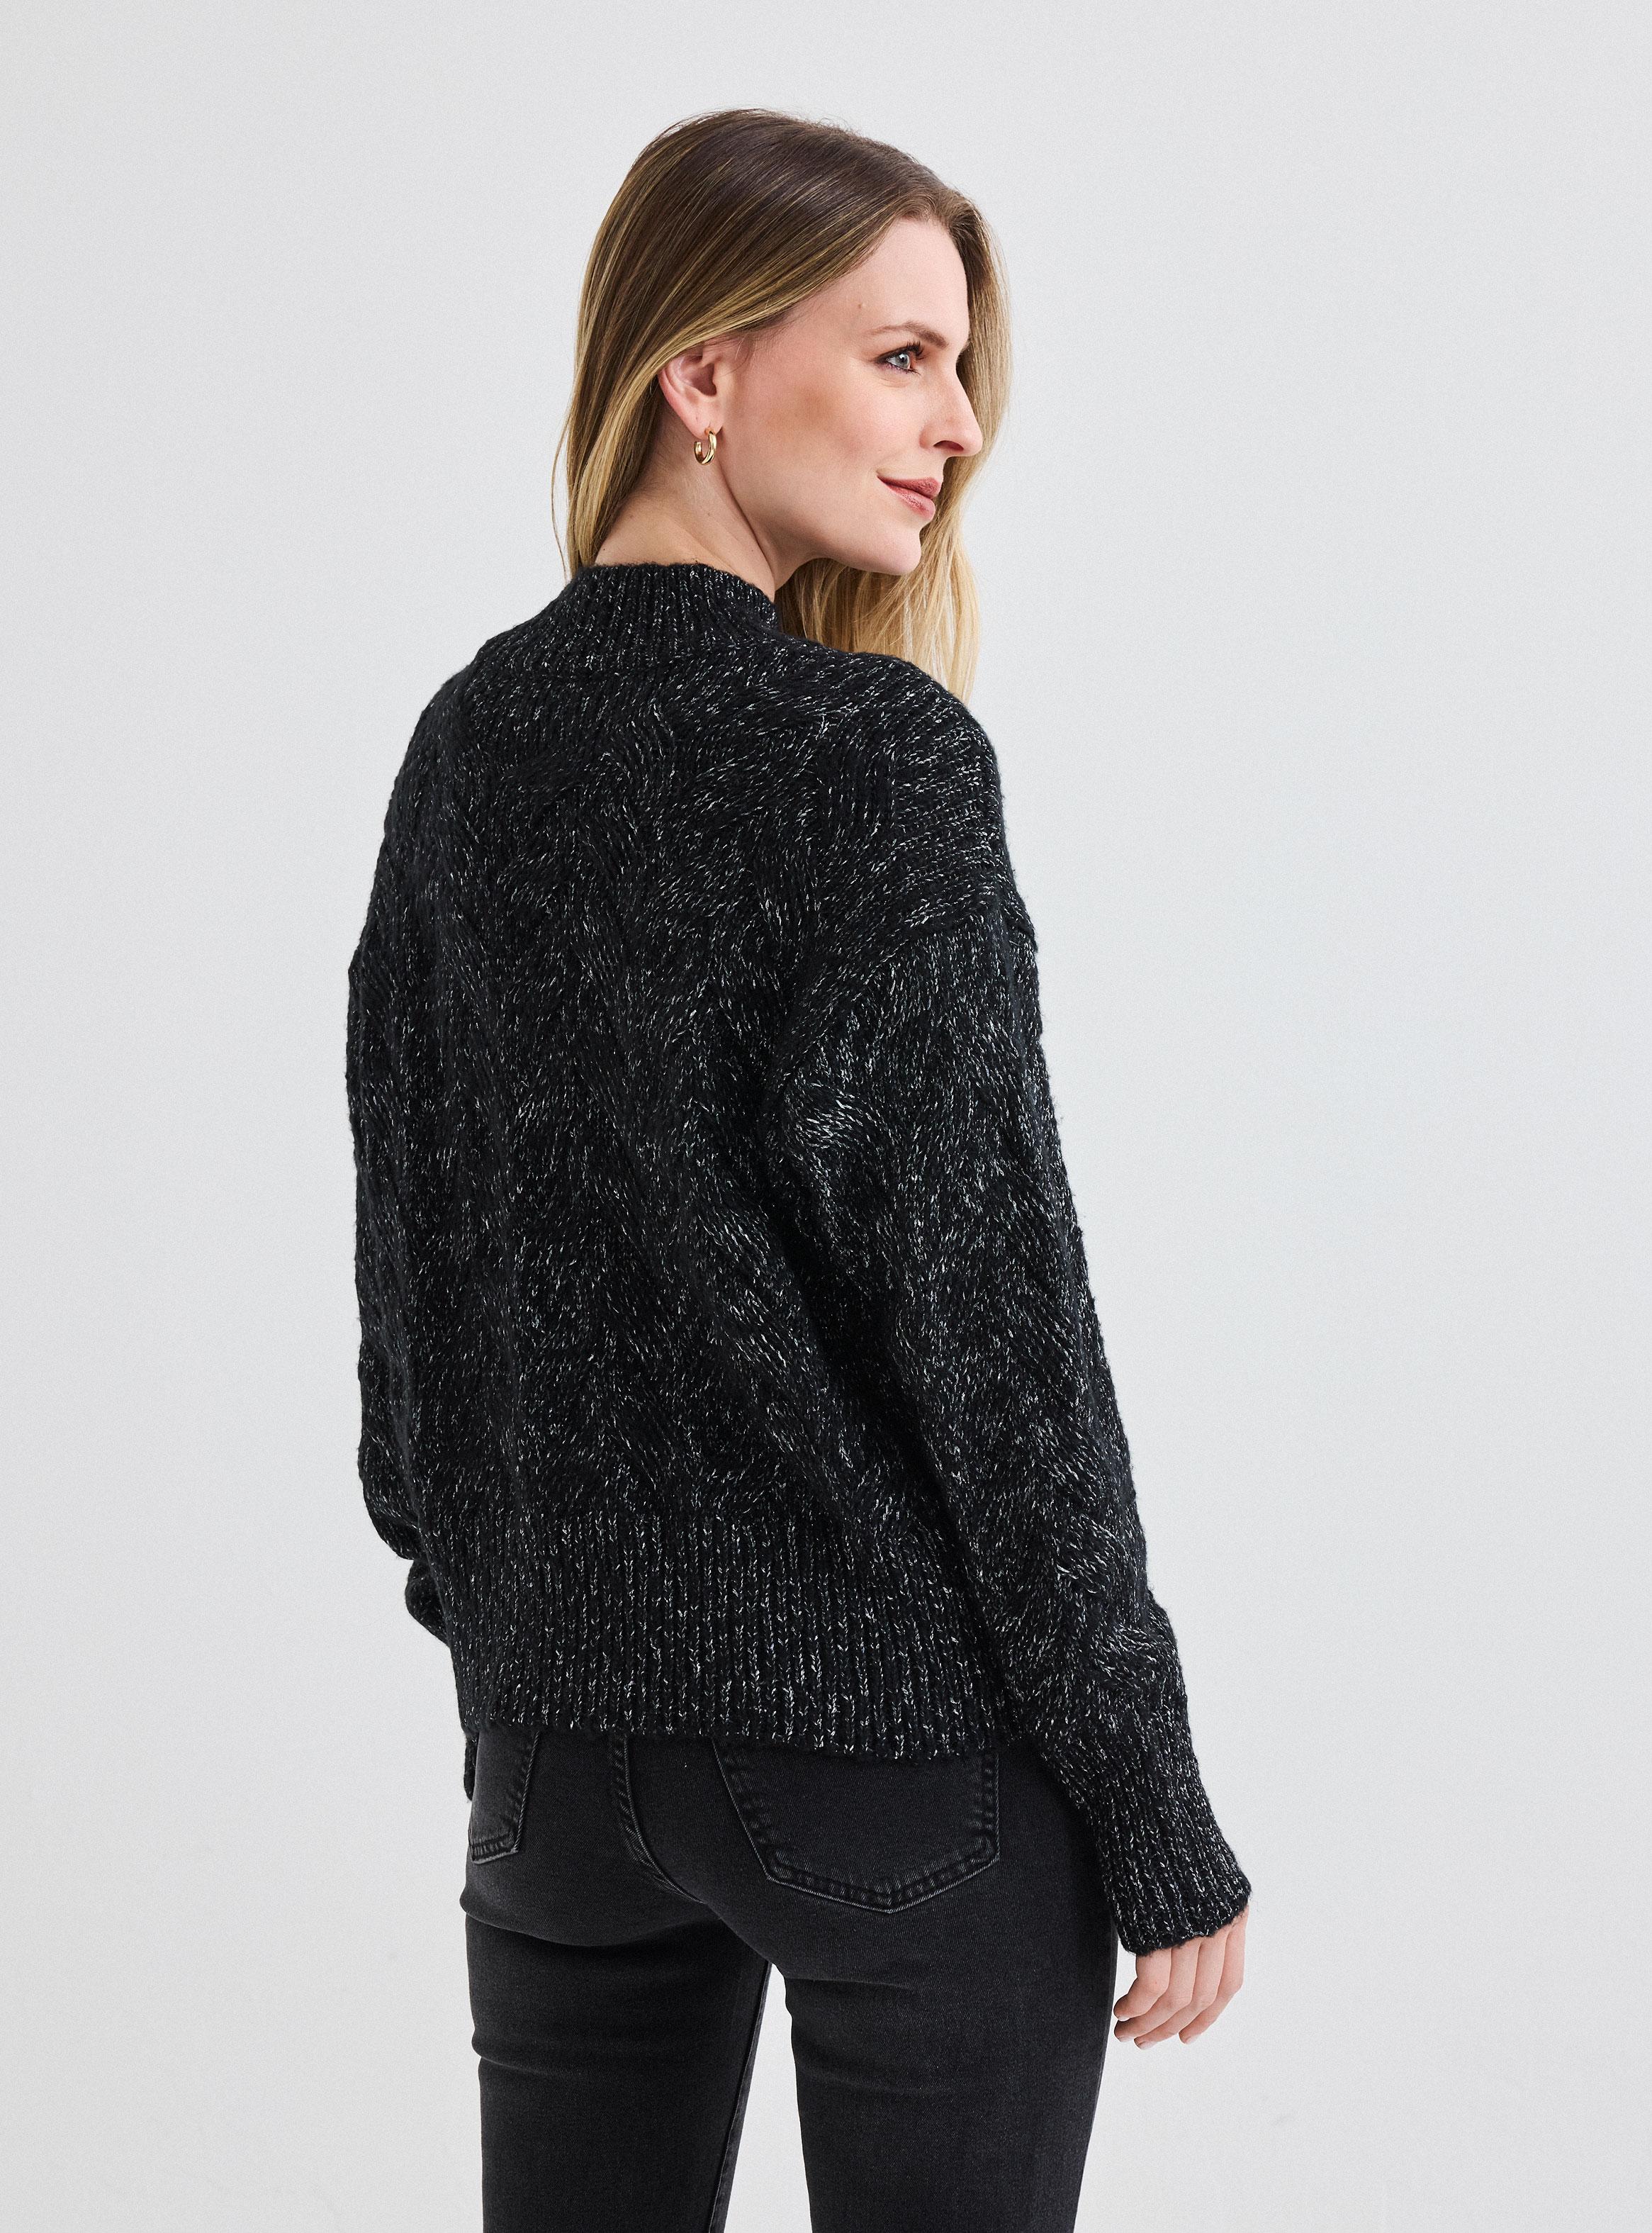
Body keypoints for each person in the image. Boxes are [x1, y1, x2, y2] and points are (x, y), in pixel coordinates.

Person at [346, 106, 1252, 2233]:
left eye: (963, 369)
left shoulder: (469, 743)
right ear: (703, 369)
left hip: (559, 1770)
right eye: (903, 356)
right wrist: (1152, 1803)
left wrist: (512, 1641)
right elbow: (993, 1325)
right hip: (891, 1763)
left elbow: (411, 1282)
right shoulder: (874, 754)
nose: (958, 427)